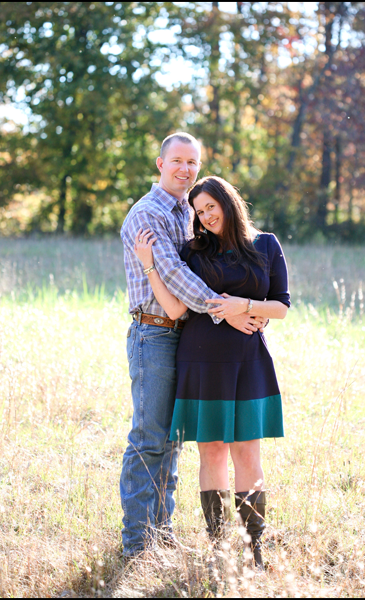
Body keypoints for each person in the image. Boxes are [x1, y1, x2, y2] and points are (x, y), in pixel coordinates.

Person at [134, 174, 290, 570]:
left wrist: (243, 305)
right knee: (213, 452)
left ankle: (255, 550)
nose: (205, 217)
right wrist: (150, 266)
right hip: (201, 360)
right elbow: (176, 309)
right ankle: (219, 548)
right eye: (198, 211)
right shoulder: (193, 252)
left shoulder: (266, 244)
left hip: (248, 361)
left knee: (247, 453)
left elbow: (281, 307)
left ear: (228, 203)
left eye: (210, 208)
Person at [119, 132, 264, 560]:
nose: (186, 169)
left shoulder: (188, 213)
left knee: (173, 440)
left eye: (193, 162)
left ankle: (160, 533)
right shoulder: (147, 214)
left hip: (185, 336)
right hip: (155, 331)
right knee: (149, 438)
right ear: (159, 164)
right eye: (178, 160)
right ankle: (136, 542)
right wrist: (230, 310)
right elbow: (178, 279)